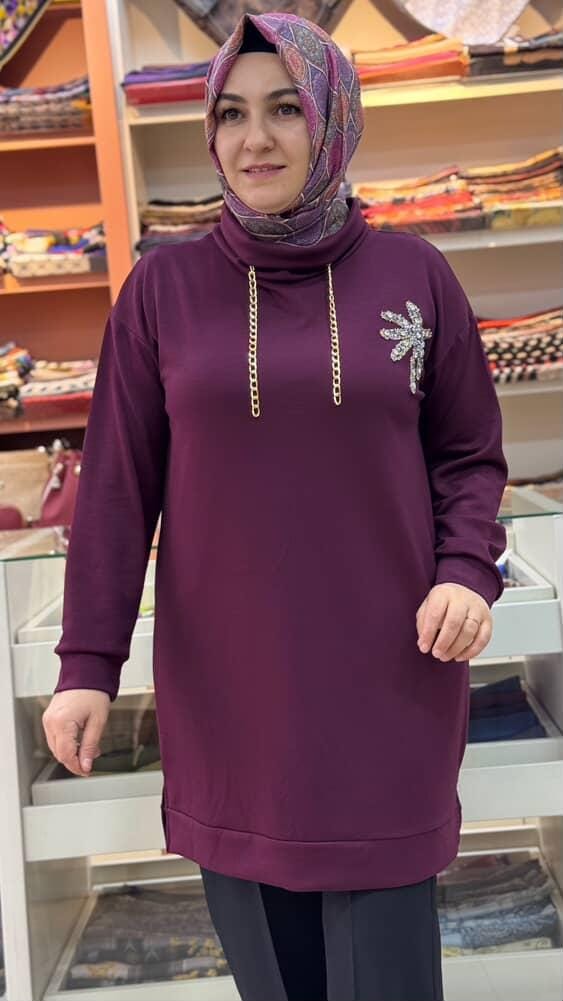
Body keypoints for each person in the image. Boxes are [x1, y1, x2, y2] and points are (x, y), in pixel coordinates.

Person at [42, 12, 509, 1001]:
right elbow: (116, 492)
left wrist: (466, 569)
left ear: (332, 120)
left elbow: (468, 455)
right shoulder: (162, 292)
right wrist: (88, 665)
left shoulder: (415, 276)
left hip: (390, 688)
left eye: (285, 109)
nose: (253, 139)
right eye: (231, 113)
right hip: (232, 702)